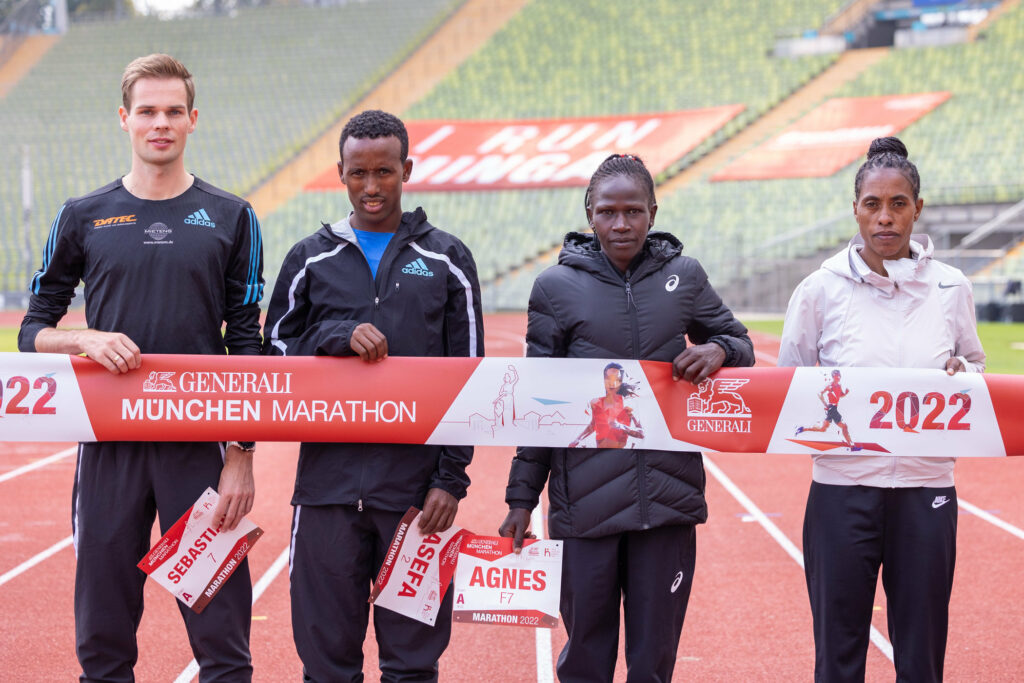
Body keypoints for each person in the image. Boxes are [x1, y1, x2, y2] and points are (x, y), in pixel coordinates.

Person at [18, 54, 263, 682]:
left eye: (173, 111)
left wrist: (241, 454)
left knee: (223, 638)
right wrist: (85, 341)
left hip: (199, 448)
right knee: (102, 639)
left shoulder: (233, 218)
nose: (161, 123)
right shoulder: (84, 215)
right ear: (123, 120)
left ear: (193, 119)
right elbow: (31, 330)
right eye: (147, 111)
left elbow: (248, 343)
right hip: (109, 447)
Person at [499, 153, 754, 682]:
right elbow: (538, 400)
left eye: (633, 211)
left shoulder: (684, 277)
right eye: (608, 212)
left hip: (667, 504)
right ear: (589, 213)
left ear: (653, 212)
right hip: (585, 507)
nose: (621, 224)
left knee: (652, 665)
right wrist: (522, 498)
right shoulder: (555, 287)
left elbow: (740, 342)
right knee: (587, 661)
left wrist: (719, 351)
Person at [263, 109, 484, 683]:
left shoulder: (447, 260)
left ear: (406, 169)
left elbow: (472, 381)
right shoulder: (309, 258)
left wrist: (449, 480)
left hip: (415, 496)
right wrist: (334, 335)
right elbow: (273, 354)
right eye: (358, 173)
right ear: (340, 173)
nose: (370, 187)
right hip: (326, 494)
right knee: (326, 664)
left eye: (384, 172)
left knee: (412, 665)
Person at [778, 137, 985, 682]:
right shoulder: (819, 290)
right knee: (838, 651)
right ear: (855, 210)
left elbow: (974, 369)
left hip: (926, 491)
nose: (886, 217)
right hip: (842, 493)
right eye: (873, 204)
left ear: (918, 208)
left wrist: (965, 378)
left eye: (898, 204)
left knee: (921, 653)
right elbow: (790, 382)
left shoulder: (951, 288)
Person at [568, 362, 644, 449]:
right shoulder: (596, 403)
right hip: (599, 455)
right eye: (608, 379)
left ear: (621, 381)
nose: (612, 384)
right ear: (604, 380)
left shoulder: (629, 404)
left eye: (617, 379)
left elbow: (641, 434)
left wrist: (620, 426)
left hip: (621, 456)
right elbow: (593, 425)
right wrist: (577, 439)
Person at [795, 369, 858, 449]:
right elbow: (819, 393)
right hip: (831, 408)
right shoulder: (829, 385)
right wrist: (825, 403)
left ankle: (802, 429)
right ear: (833, 376)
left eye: (839, 376)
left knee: (823, 429)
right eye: (836, 376)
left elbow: (840, 395)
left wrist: (845, 393)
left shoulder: (839, 385)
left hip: (834, 408)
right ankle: (852, 446)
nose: (838, 377)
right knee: (844, 426)